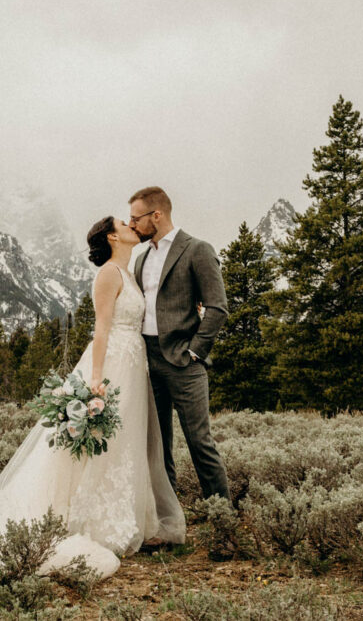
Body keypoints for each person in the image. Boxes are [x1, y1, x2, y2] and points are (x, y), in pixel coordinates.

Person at [0, 216, 185, 580]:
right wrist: (97, 380)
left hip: (134, 367)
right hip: (113, 364)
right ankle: (86, 519)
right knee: (100, 441)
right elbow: (100, 329)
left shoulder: (130, 271)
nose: (131, 223)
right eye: (124, 221)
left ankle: (121, 516)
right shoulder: (108, 274)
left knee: (124, 442)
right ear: (112, 236)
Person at [128, 187, 231, 503]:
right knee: (158, 445)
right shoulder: (142, 258)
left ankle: (222, 519)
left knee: (200, 442)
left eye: (136, 218)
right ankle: (167, 520)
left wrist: (195, 351)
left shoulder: (197, 250)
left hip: (184, 361)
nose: (132, 225)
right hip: (148, 361)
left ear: (156, 215)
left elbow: (218, 307)